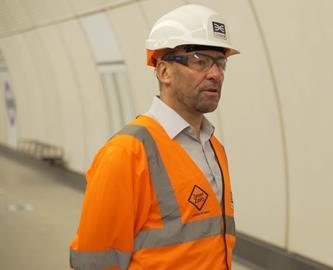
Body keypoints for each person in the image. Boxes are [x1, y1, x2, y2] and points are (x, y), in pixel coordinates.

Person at [69, 4, 239, 270]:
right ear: (164, 72)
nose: (215, 74)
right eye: (199, 61)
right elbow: (96, 262)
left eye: (220, 63)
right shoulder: (126, 153)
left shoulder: (214, 147)